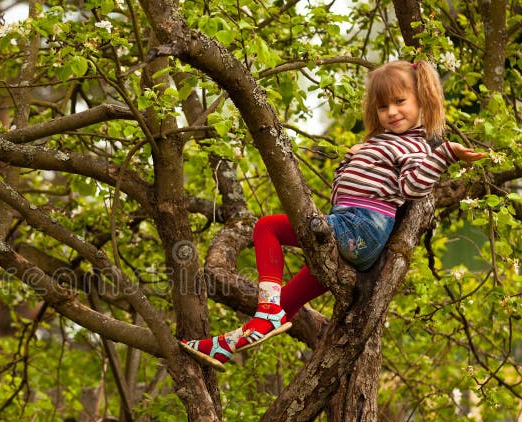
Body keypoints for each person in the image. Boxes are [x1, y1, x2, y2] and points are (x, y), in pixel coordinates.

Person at [181, 59, 485, 372]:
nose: (391, 112)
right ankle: (222, 346)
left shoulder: (414, 146)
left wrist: (445, 154)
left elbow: (412, 186)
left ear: (422, 100)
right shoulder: (387, 141)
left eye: (399, 102)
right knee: (285, 303)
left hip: (358, 227)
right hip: (352, 234)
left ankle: (266, 311)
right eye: (383, 107)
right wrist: (358, 155)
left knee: (267, 228)